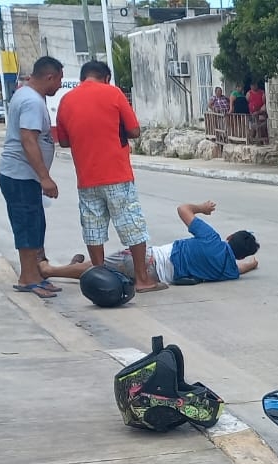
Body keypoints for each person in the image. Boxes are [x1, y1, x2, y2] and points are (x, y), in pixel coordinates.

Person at [52, 60, 163, 293]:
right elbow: (134, 131)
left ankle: (101, 282)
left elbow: (62, 141)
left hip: (86, 178)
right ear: (106, 77)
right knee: (131, 225)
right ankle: (142, 279)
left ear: (83, 77)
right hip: (117, 174)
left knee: (93, 229)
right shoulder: (113, 93)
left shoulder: (66, 100)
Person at [40, 200, 258, 288]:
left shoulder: (211, 238)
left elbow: (182, 209)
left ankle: (50, 271)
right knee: (102, 271)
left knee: (98, 266)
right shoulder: (229, 270)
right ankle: (72, 268)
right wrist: (252, 264)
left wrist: (201, 207)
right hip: (158, 277)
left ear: (228, 237)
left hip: (150, 260)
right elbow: (242, 267)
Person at [0, 56, 65, 298]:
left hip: (24, 177)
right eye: (58, 79)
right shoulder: (31, 102)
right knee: (26, 226)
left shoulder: (27, 95)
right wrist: (44, 177)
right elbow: (28, 140)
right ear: (49, 77)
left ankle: (36, 275)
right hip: (20, 176)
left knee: (36, 225)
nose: (59, 86)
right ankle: (28, 278)